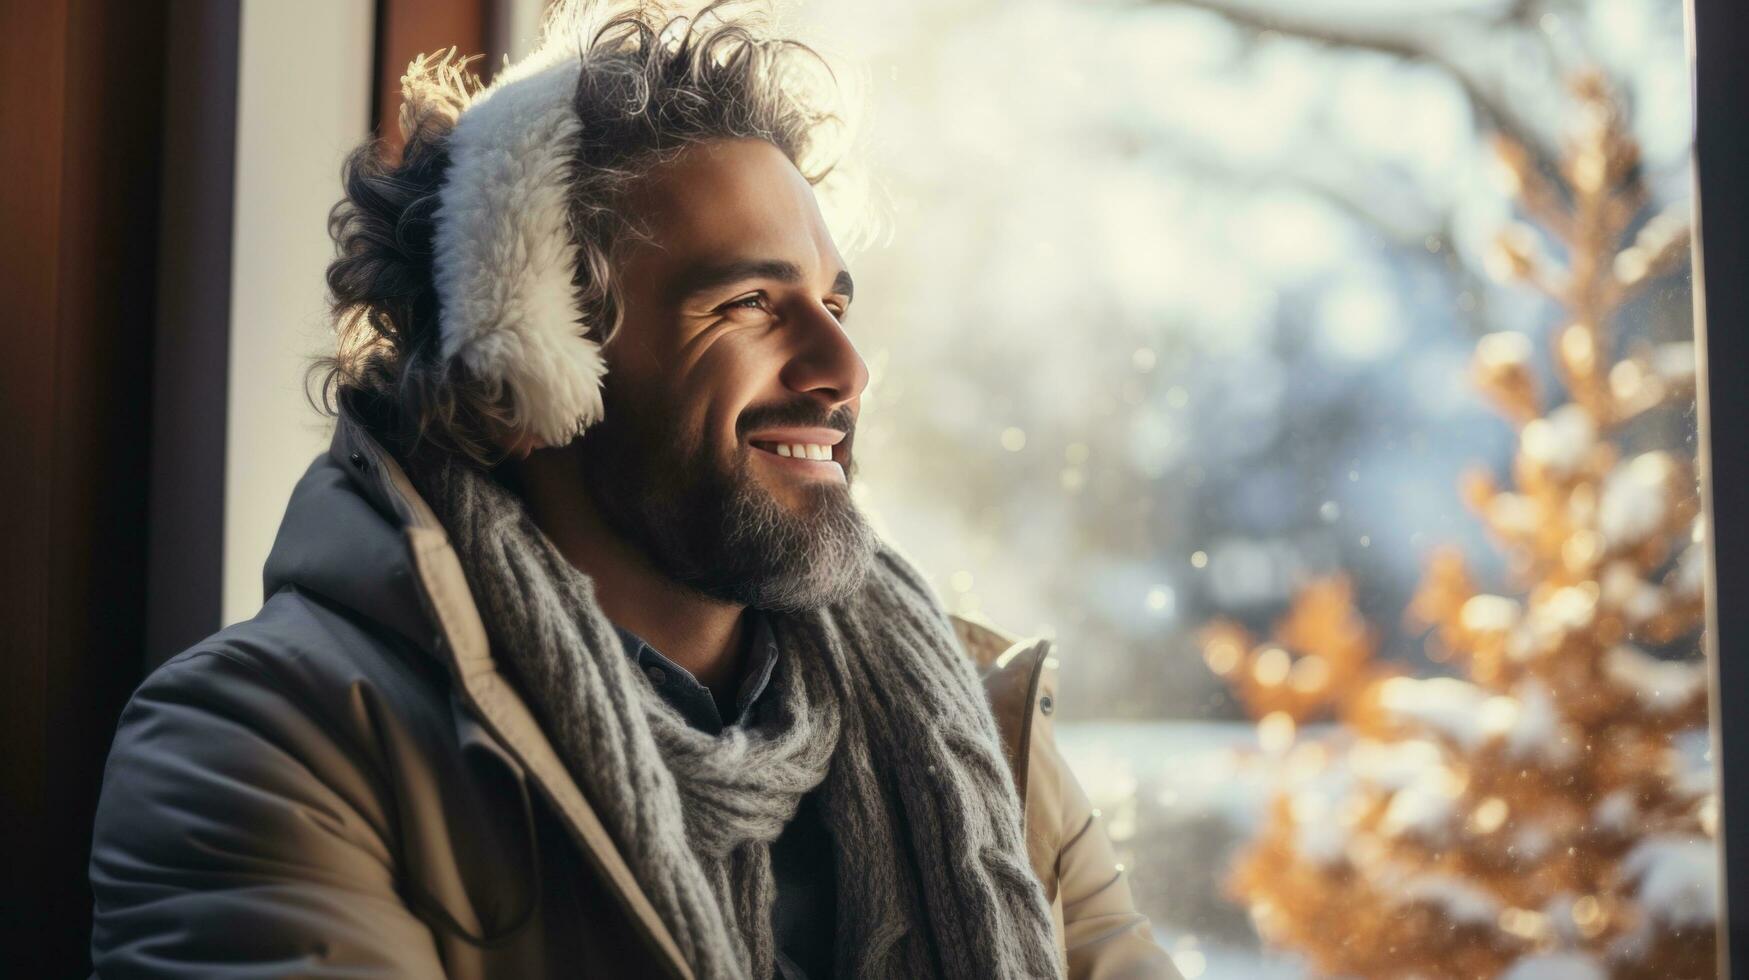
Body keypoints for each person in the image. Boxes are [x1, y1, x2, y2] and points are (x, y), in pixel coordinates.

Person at [87, 2, 1176, 977]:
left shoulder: (979, 736)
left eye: (835, 301)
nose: (845, 368)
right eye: (749, 302)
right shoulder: (268, 747)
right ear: (525, 375)